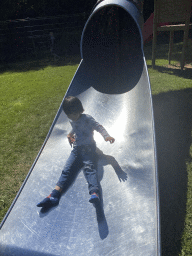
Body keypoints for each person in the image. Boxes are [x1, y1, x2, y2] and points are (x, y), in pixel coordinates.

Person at [37, 96, 115, 208]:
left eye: (73, 114)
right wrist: (70, 134)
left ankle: (94, 192)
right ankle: (54, 195)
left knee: (89, 168)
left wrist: (106, 136)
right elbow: (76, 127)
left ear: (80, 110)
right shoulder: (73, 119)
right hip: (77, 149)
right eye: (69, 115)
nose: (72, 118)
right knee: (66, 169)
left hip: (88, 149)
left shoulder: (87, 119)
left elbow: (98, 127)